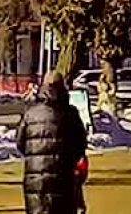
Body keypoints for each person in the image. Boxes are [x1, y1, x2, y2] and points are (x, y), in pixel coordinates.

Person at [16, 71, 87, 214]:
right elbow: (80, 145)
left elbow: (20, 143)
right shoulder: (71, 114)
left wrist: (35, 158)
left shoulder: (30, 113)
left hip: (35, 181)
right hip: (63, 179)